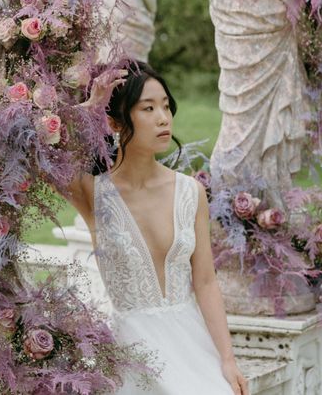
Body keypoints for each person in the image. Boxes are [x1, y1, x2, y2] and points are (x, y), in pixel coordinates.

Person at [68, 62, 249, 395]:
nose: (164, 118)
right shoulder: (93, 193)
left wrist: (227, 359)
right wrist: (89, 109)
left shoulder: (189, 192)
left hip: (191, 342)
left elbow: (206, 282)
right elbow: (31, 151)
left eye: (166, 106)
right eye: (148, 108)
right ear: (115, 121)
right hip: (132, 350)